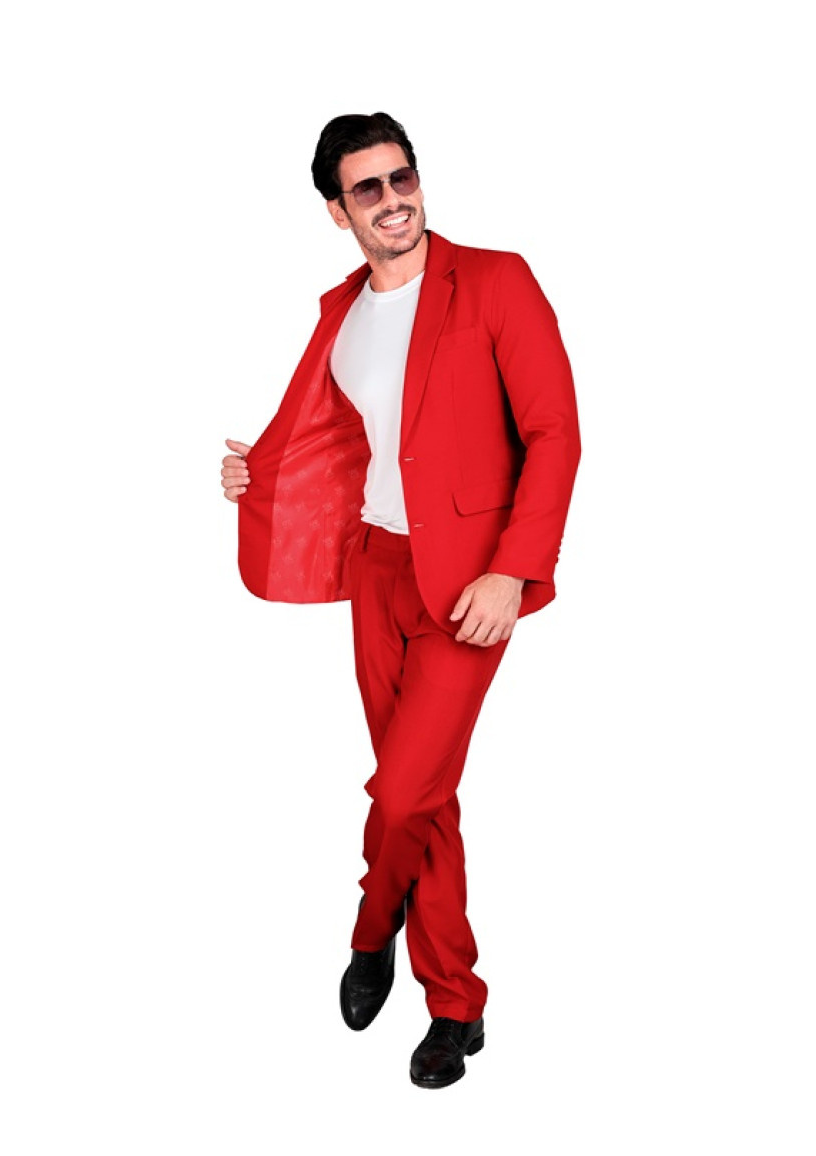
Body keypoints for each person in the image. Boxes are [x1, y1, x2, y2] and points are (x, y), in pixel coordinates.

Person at [220, 113, 580, 1089]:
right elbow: (335, 436)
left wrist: (514, 569)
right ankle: (456, 1005)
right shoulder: (342, 311)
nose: (393, 200)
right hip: (377, 568)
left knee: (405, 790)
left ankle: (370, 925)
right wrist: (258, 475)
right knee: (427, 796)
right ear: (337, 212)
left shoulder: (495, 281)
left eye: (402, 177)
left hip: (471, 580)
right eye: (367, 188)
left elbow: (554, 432)